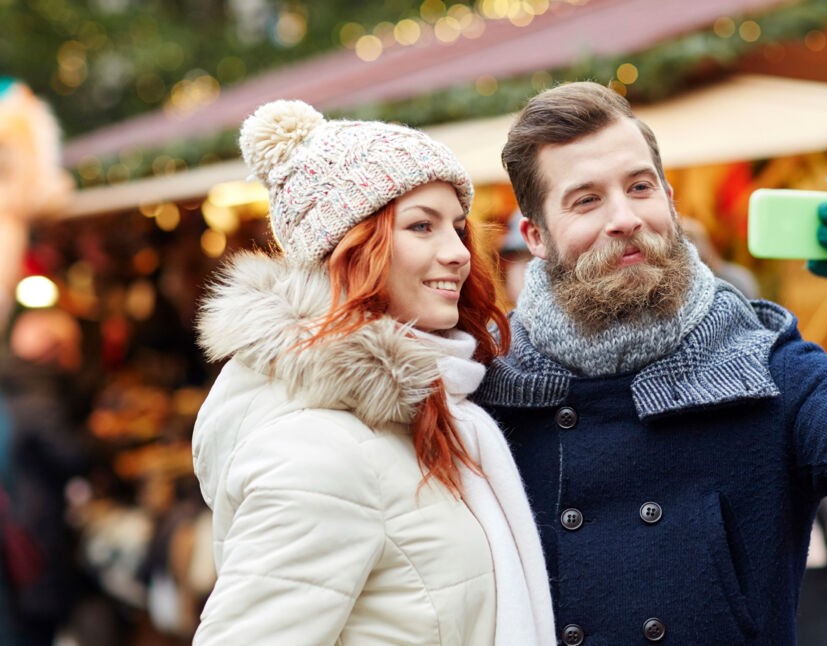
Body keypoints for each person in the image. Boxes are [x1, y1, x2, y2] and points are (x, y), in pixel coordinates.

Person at [473, 81, 827, 645]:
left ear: (668, 198)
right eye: (586, 200)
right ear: (536, 237)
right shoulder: (487, 388)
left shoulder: (765, 364)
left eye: (640, 187)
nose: (625, 218)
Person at [190, 100, 554, 645]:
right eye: (420, 226)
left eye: (457, 227)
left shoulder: (427, 409)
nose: (457, 253)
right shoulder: (319, 450)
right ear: (346, 250)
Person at [0, 307, 94, 645]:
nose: (75, 360)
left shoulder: (11, 382)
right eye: (72, 349)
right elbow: (73, 454)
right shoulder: (35, 390)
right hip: (30, 539)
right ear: (53, 348)